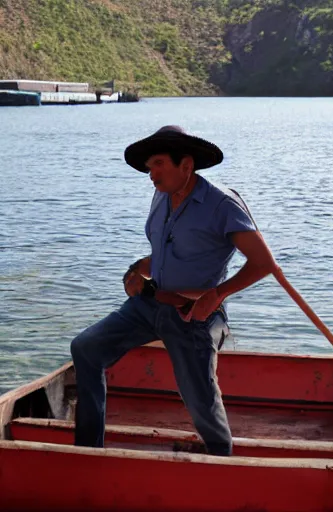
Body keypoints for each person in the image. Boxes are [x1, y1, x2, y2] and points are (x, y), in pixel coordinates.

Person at [70, 125, 277, 456]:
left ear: (186, 165)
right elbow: (168, 254)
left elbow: (264, 263)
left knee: (200, 401)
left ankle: (222, 462)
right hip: (150, 305)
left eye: (159, 164)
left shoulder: (221, 205)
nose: (152, 174)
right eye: (149, 166)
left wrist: (217, 294)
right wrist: (136, 269)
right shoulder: (161, 196)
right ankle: (87, 452)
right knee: (85, 348)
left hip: (194, 314)